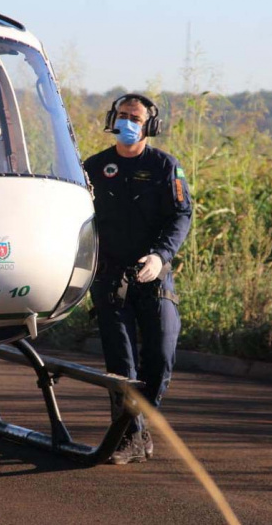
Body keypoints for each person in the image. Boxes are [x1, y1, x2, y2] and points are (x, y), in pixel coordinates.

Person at [83, 94, 192, 464]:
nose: (128, 122)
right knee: (121, 366)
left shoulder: (165, 166)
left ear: (150, 126)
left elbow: (181, 217)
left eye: (136, 117)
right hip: (110, 279)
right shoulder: (94, 167)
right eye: (123, 115)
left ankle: (139, 423)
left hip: (154, 275)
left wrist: (161, 257)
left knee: (161, 353)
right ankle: (131, 437)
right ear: (113, 119)